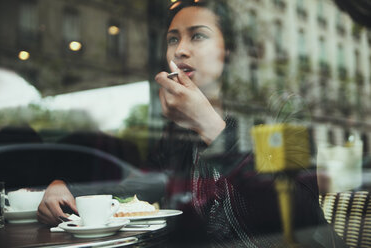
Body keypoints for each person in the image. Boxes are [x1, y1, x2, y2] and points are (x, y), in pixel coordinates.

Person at [38, 1, 346, 247]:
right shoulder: (179, 126)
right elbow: (145, 185)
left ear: (229, 51)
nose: (180, 49)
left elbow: (300, 214)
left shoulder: (281, 108)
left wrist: (212, 127)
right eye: (173, 39)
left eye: (197, 35)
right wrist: (70, 190)